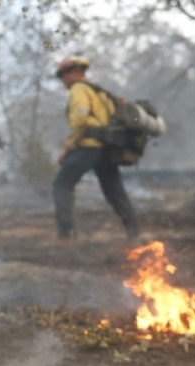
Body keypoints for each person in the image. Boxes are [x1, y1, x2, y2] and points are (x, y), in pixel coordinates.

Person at [52, 56, 140, 241]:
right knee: (114, 191)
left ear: (72, 73)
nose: (62, 80)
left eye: (62, 75)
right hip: (107, 148)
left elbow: (80, 120)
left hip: (88, 146)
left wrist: (69, 147)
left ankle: (64, 236)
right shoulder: (101, 93)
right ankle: (133, 232)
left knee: (62, 184)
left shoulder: (79, 89)